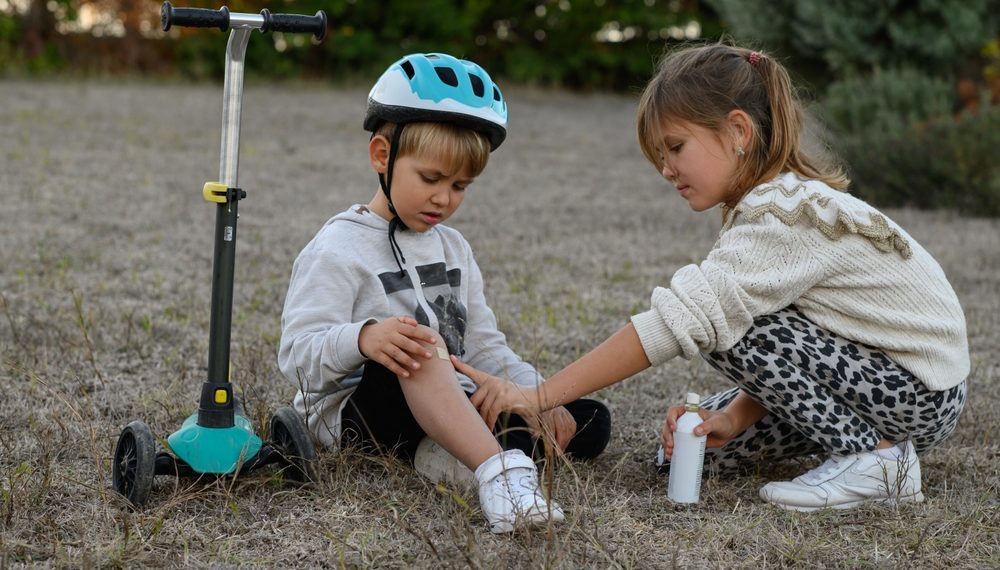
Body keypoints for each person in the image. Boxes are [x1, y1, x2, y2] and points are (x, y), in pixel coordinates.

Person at [457, 42, 969, 512]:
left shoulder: (783, 214)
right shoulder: (768, 207)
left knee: (713, 321)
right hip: (884, 387)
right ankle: (869, 452)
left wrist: (541, 396)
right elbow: (805, 336)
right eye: (660, 155)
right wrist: (737, 417)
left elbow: (686, 319)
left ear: (739, 132)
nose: (666, 169)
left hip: (914, 391)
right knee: (694, 450)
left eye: (675, 147)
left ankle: (875, 463)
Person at [278, 52, 611, 533]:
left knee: (587, 420)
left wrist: (536, 396)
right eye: (431, 179)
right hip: (364, 413)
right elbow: (296, 355)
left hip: (449, 399)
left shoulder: (453, 248)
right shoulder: (337, 247)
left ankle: (452, 451)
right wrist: (364, 339)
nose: (444, 198)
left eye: (460, 185)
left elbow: (483, 346)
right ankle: (502, 473)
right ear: (381, 156)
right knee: (421, 346)